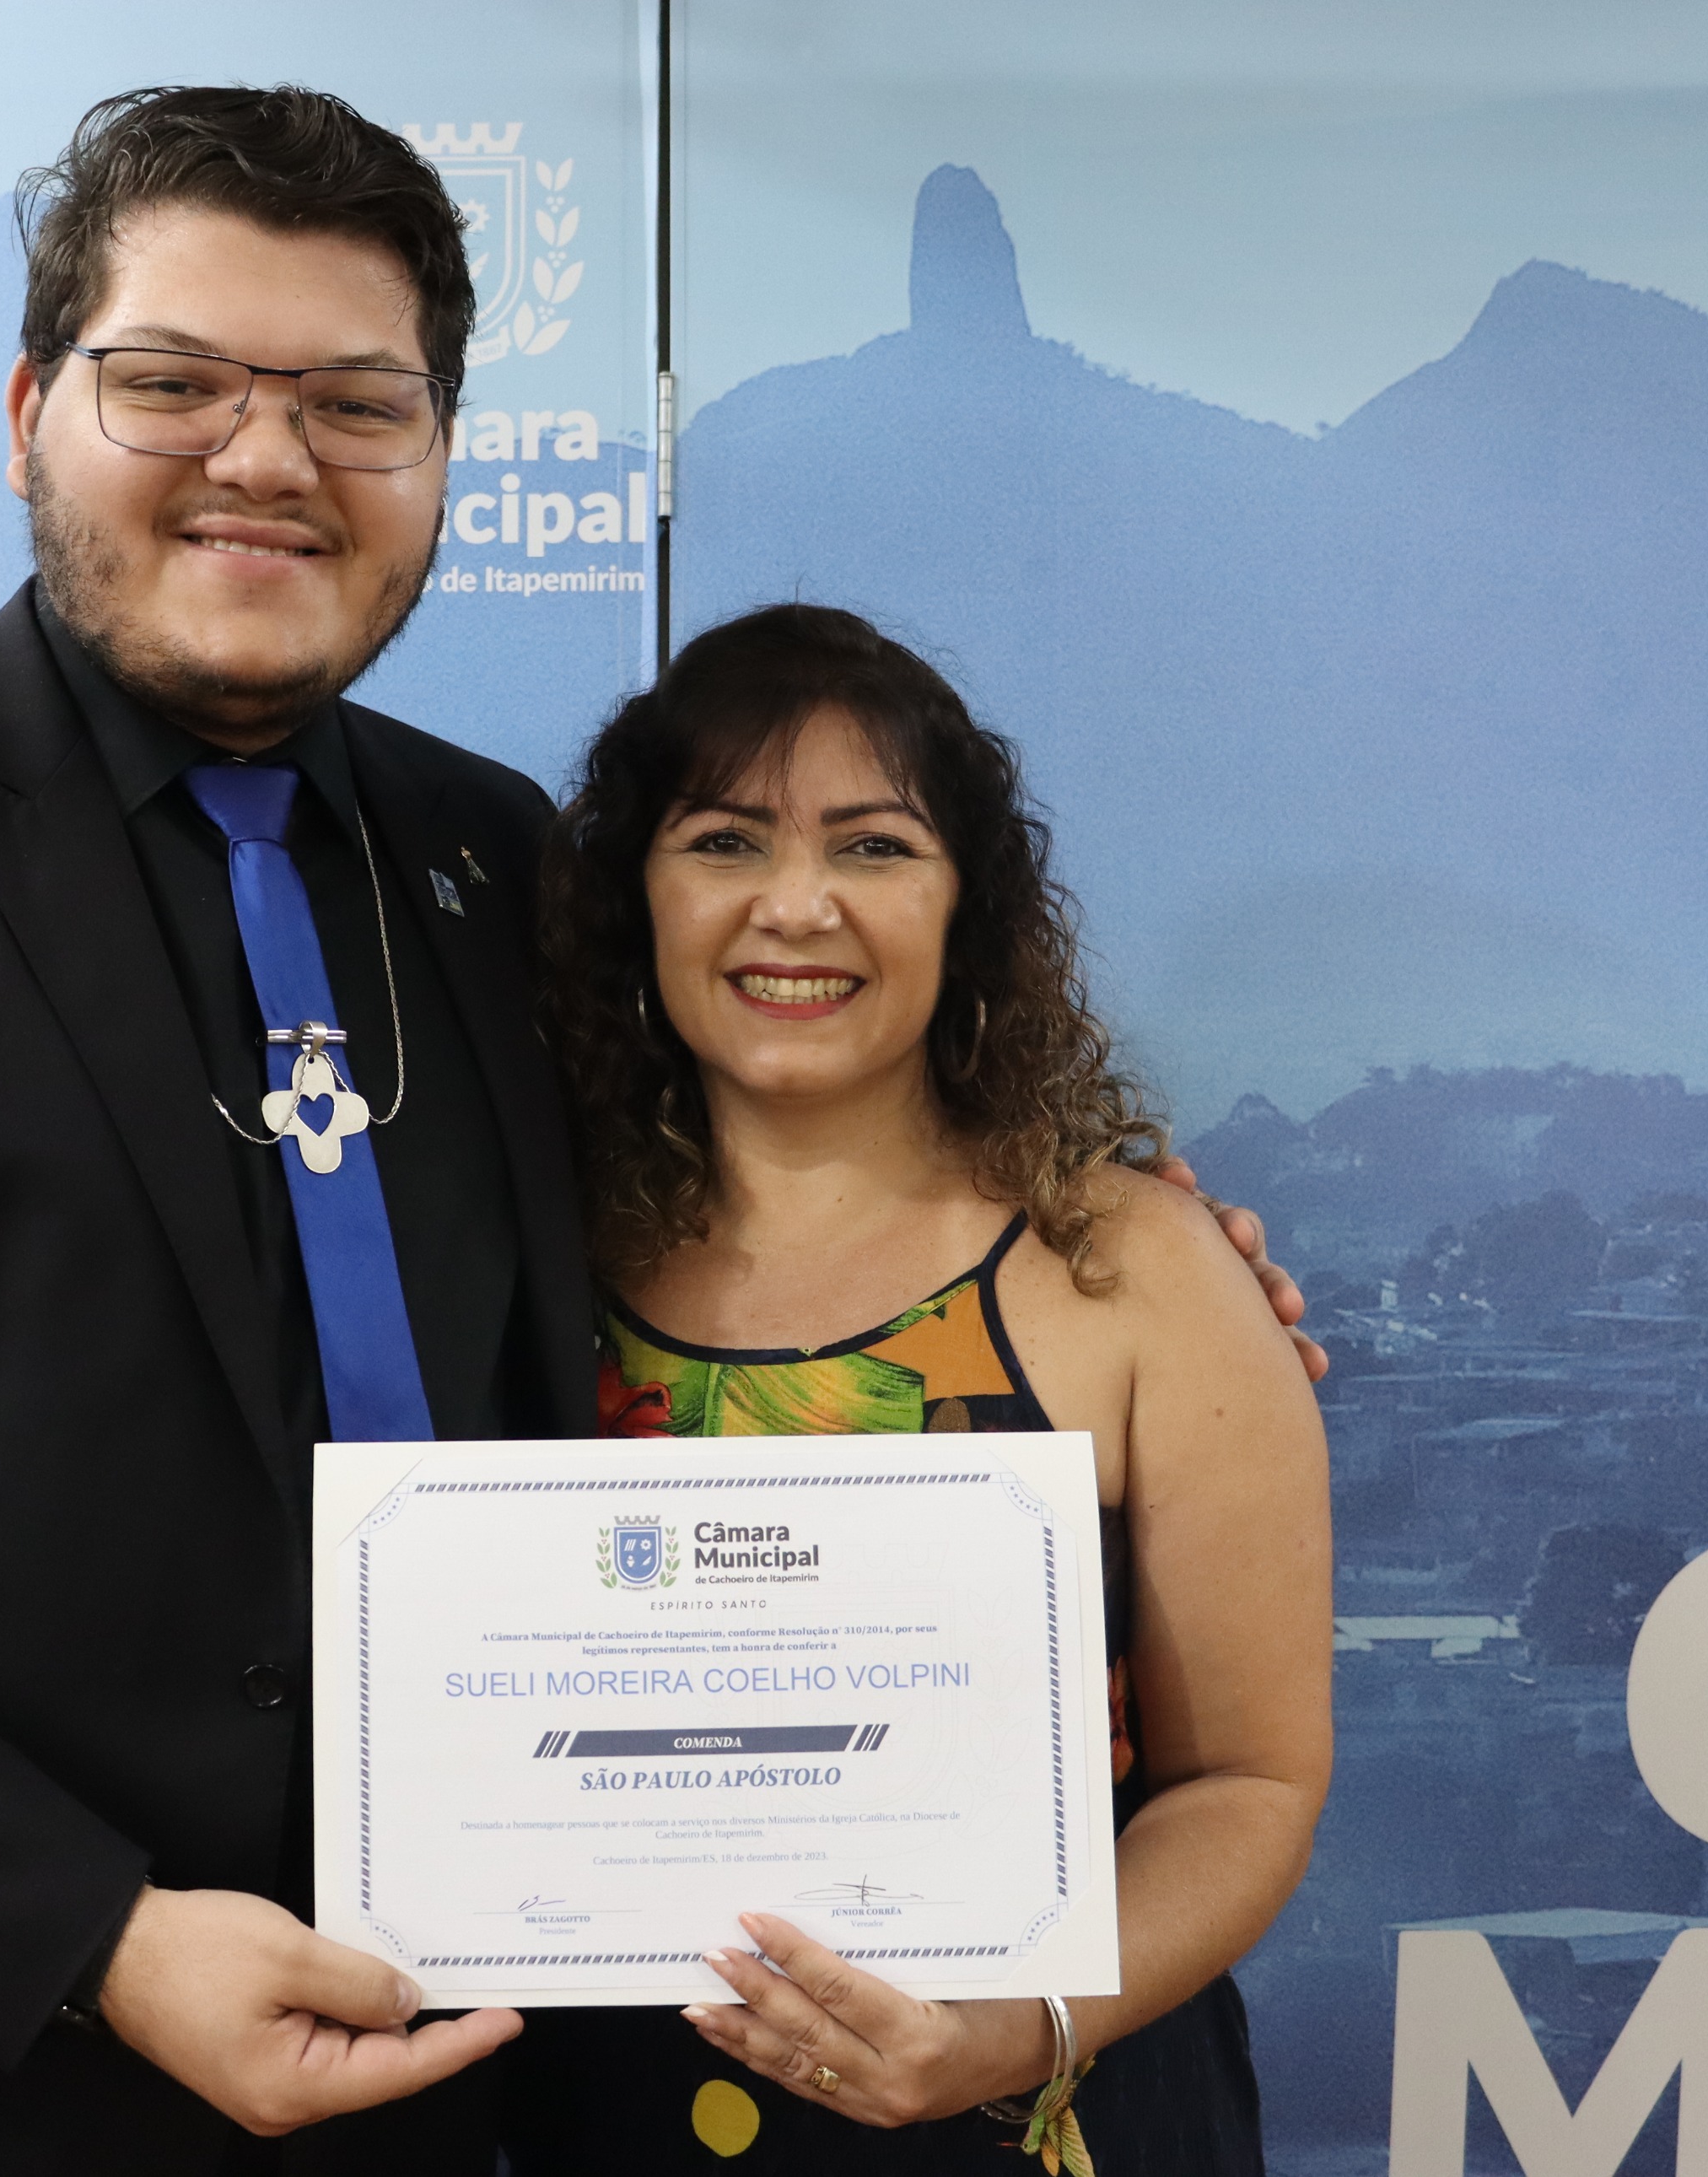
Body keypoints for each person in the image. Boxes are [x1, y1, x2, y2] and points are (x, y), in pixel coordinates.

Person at [0, 83, 1316, 2177]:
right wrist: (98, 1937)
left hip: (442, 2091)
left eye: (353, 403)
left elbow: (779, 1202)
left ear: (435, 460)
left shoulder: (497, 867)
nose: (266, 458)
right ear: (31, 413)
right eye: (174, 384)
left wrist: (1139, 1272)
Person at [507, 604, 1330, 2174]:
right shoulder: (512, 1259)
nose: (795, 906)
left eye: (874, 847)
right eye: (725, 841)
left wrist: (1017, 2028)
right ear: (636, 897)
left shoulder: (1137, 1270)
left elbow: (1250, 1777)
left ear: (968, 908)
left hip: (1045, 2107)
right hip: (609, 2120)